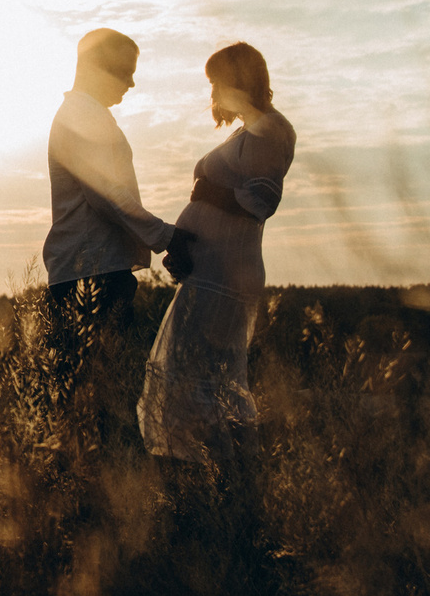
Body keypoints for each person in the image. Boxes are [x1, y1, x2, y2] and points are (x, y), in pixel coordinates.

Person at [139, 41, 295, 474]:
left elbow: (262, 199)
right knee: (197, 378)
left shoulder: (273, 129)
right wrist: (184, 243)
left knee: (199, 379)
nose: (212, 92)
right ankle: (211, 481)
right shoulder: (246, 131)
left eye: (215, 82)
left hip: (227, 273)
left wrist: (204, 193)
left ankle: (225, 482)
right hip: (209, 267)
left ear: (237, 80)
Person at [41, 28, 177, 419]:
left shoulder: (90, 115)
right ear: (97, 66)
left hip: (97, 272)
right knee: (93, 402)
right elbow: (108, 195)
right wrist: (166, 236)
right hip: (90, 277)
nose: (132, 82)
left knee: (98, 398)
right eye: (125, 71)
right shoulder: (80, 117)